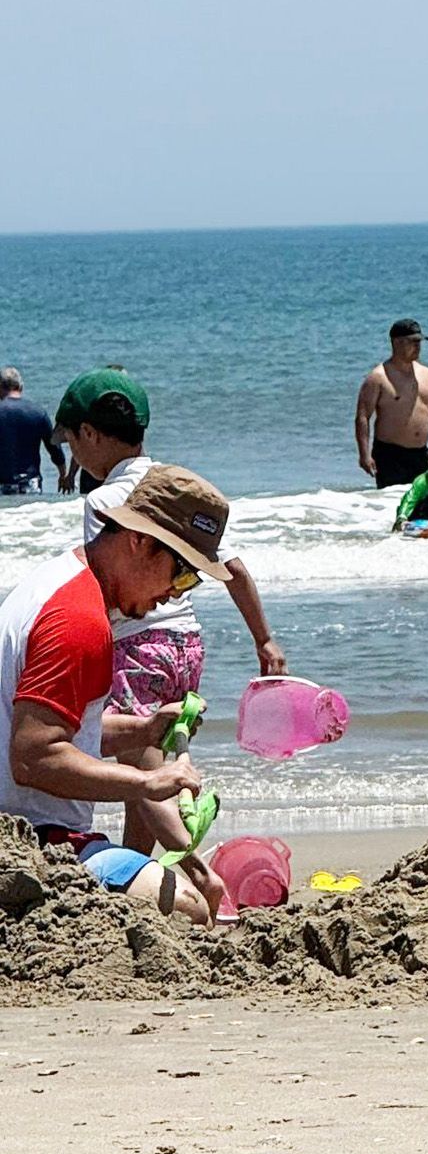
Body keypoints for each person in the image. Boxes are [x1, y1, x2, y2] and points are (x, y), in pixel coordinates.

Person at [52, 367, 288, 855]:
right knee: (154, 762)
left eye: (73, 442)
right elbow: (235, 569)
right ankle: (142, 864)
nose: (73, 455)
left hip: (138, 647)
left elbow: (103, 585)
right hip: (186, 646)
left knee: (136, 766)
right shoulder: (173, 489)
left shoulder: (106, 501)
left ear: (91, 435)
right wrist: (264, 639)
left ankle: (197, 868)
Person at [0, 462, 233, 926]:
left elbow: (61, 731)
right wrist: (145, 783)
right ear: (140, 540)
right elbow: (31, 758)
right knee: (188, 911)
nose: (175, 593)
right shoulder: (79, 621)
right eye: (181, 571)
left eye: (191, 581)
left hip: (25, 824)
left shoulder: (65, 581)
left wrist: (143, 730)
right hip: (30, 838)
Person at [355, 318, 428, 488]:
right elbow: (363, 417)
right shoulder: (378, 377)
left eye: (419, 342)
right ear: (396, 343)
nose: (418, 347)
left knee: (426, 504)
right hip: (390, 456)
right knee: (396, 504)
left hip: (421, 454)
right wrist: (364, 455)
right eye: (413, 342)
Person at [0, 367, 68, 495]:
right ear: (21, 387)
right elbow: (54, 447)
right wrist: (63, 475)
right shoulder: (37, 412)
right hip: (31, 483)